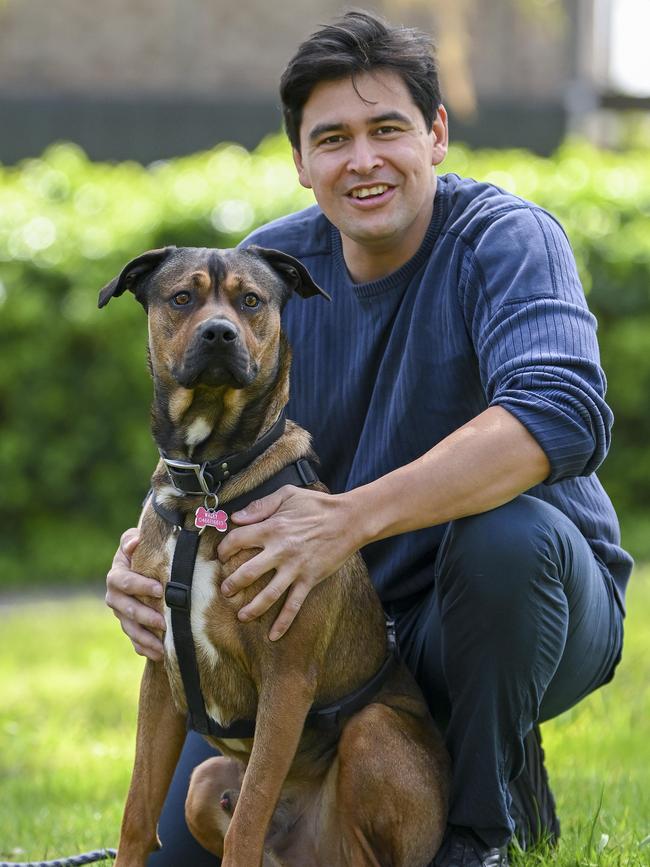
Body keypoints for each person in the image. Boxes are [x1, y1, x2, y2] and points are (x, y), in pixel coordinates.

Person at [106, 11, 632, 867]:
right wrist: (149, 556)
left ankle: (478, 829)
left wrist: (346, 518)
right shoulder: (265, 275)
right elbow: (207, 436)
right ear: (301, 162)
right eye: (333, 138)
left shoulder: (505, 239)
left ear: (436, 135)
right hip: (327, 639)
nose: (363, 160)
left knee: (507, 538)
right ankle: (460, 764)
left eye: (387, 128)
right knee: (185, 849)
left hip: (522, 605)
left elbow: (561, 411)